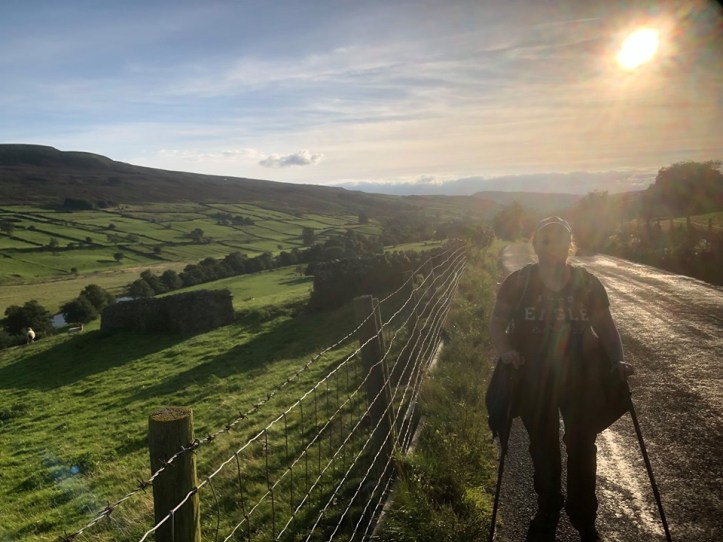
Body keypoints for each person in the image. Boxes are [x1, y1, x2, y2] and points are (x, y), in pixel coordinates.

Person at [488, 216, 634, 542]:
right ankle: (548, 508)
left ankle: (583, 517)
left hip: (582, 378)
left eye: (561, 238)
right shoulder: (519, 282)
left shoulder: (587, 283)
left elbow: (606, 327)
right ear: (536, 244)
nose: (554, 244)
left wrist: (617, 360)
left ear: (570, 245)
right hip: (532, 378)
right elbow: (497, 323)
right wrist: (506, 351)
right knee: (543, 446)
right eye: (547, 238)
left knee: (582, 445)